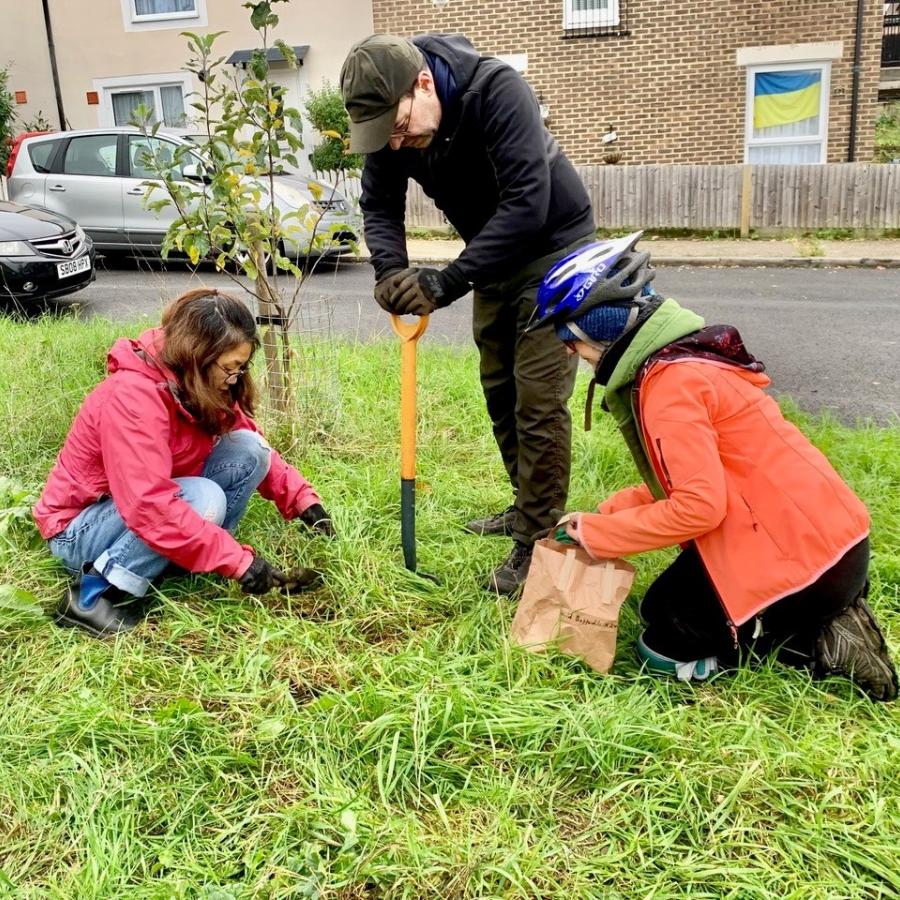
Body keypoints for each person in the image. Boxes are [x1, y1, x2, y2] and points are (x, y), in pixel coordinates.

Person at [530, 232, 897, 701]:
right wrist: (608, 513)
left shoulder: (669, 385)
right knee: (658, 606)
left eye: (568, 335)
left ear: (603, 325)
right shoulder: (684, 361)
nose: (565, 351)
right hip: (830, 540)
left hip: (810, 564)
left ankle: (810, 642)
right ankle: (806, 614)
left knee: (659, 649)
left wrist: (597, 536)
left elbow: (698, 509)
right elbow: (689, 480)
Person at [339, 33, 596, 594]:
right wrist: (389, 272)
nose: (399, 143)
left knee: (538, 399)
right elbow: (379, 205)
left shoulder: (496, 90)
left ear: (424, 83)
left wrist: (445, 281)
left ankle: (539, 542)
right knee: (499, 389)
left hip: (554, 246)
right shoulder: (394, 125)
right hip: (494, 255)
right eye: (388, 136)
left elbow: (528, 203)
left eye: (402, 128)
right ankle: (524, 506)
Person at [33, 288, 335, 638]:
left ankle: (178, 560)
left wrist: (305, 504)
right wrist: (239, 562)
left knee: (250, 450)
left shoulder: (197, 382)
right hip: (80, 528)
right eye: (230, 368)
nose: (235, 379)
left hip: (139, 508)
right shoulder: (132, 397)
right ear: (198, 355)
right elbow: (149, 506)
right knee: (203, 500)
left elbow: (247, 436)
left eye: (242, 368)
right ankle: (91, 595)